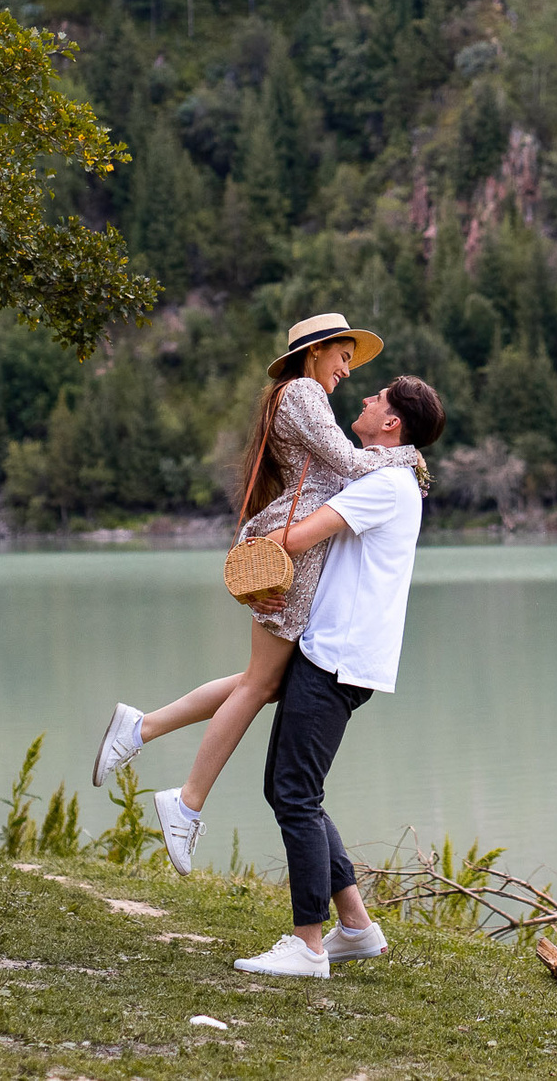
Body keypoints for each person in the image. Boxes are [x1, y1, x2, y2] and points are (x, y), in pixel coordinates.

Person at [87, 314, 418, 872]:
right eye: (343, 356)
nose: (346, 370)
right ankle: (185, 800)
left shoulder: (301, 395)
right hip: (291, 552)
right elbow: (350, 465)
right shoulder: (305, 393)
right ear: (316, 353)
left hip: (297, 556)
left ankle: (141, 729)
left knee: (257, 682)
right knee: (260, 682)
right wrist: (408, 456)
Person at [231, 374, 443, 980]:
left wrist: (255, 542)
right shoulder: (391, 478)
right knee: (289, 788)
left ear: (392, 423)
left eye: (377, 399)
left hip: (337, 659)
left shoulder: (386, 484)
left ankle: (308, 944)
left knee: (295, 794)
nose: (366, 400)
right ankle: (356, 927)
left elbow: (297, 538)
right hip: (336, 654)